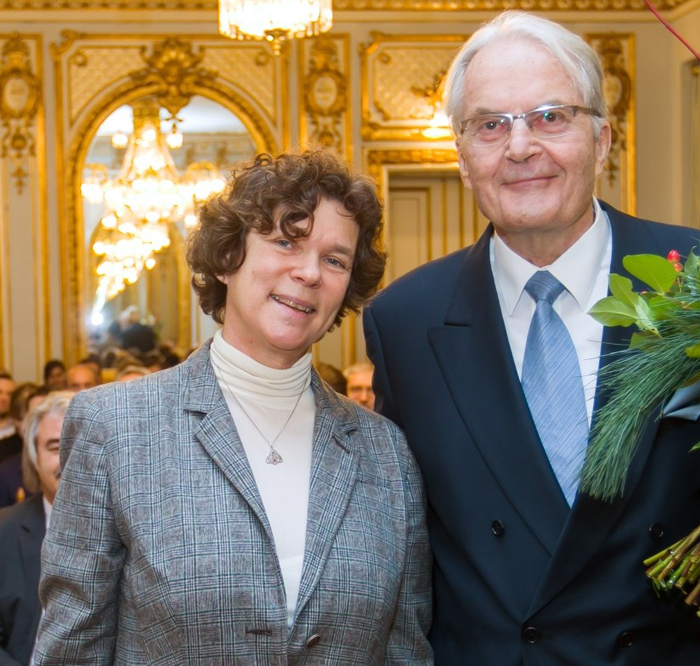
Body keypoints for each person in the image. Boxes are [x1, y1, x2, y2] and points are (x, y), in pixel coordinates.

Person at [363, 11, 700, 665]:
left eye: (549, 117)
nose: (519, 147)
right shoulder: (403, 322)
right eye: (490, 125)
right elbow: (407, 547)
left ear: (602, 138)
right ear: (462, 157)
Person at [34, 151, 432, 665]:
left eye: (335, 259)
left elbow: (406, 653)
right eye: (286, 242)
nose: (309, 272)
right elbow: (71, 650)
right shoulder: (115, 429)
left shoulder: (386, 453)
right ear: (227, 258)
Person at [0, 391, 72, 665]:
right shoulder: (4, 532)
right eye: (55, 447)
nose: (67, 459)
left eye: (77, 445)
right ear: (34, 458)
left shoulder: (133, 530)